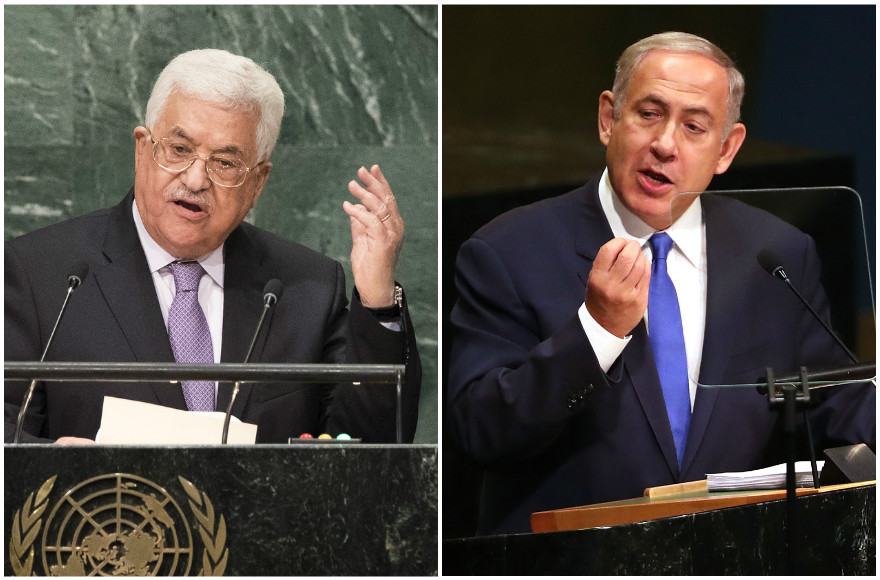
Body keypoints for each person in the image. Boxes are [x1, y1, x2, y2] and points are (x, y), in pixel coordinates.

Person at [448, 32, 874, 534]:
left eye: (694, 126)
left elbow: (839, 410)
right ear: (609, 118)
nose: (665, 145)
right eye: (649, 114)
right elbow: (481, 431)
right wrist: (597, 333)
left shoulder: (777, 252)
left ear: (726, 149)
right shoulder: (509, 249)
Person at [5, 49, 421, 445]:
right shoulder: (41, 275)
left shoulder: (304, 288)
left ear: (258, 182)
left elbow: (369, 454)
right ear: (142, 149)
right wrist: (59, 465)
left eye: (224, 162)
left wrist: (378, 299)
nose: (196, 179)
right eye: (180, 149)